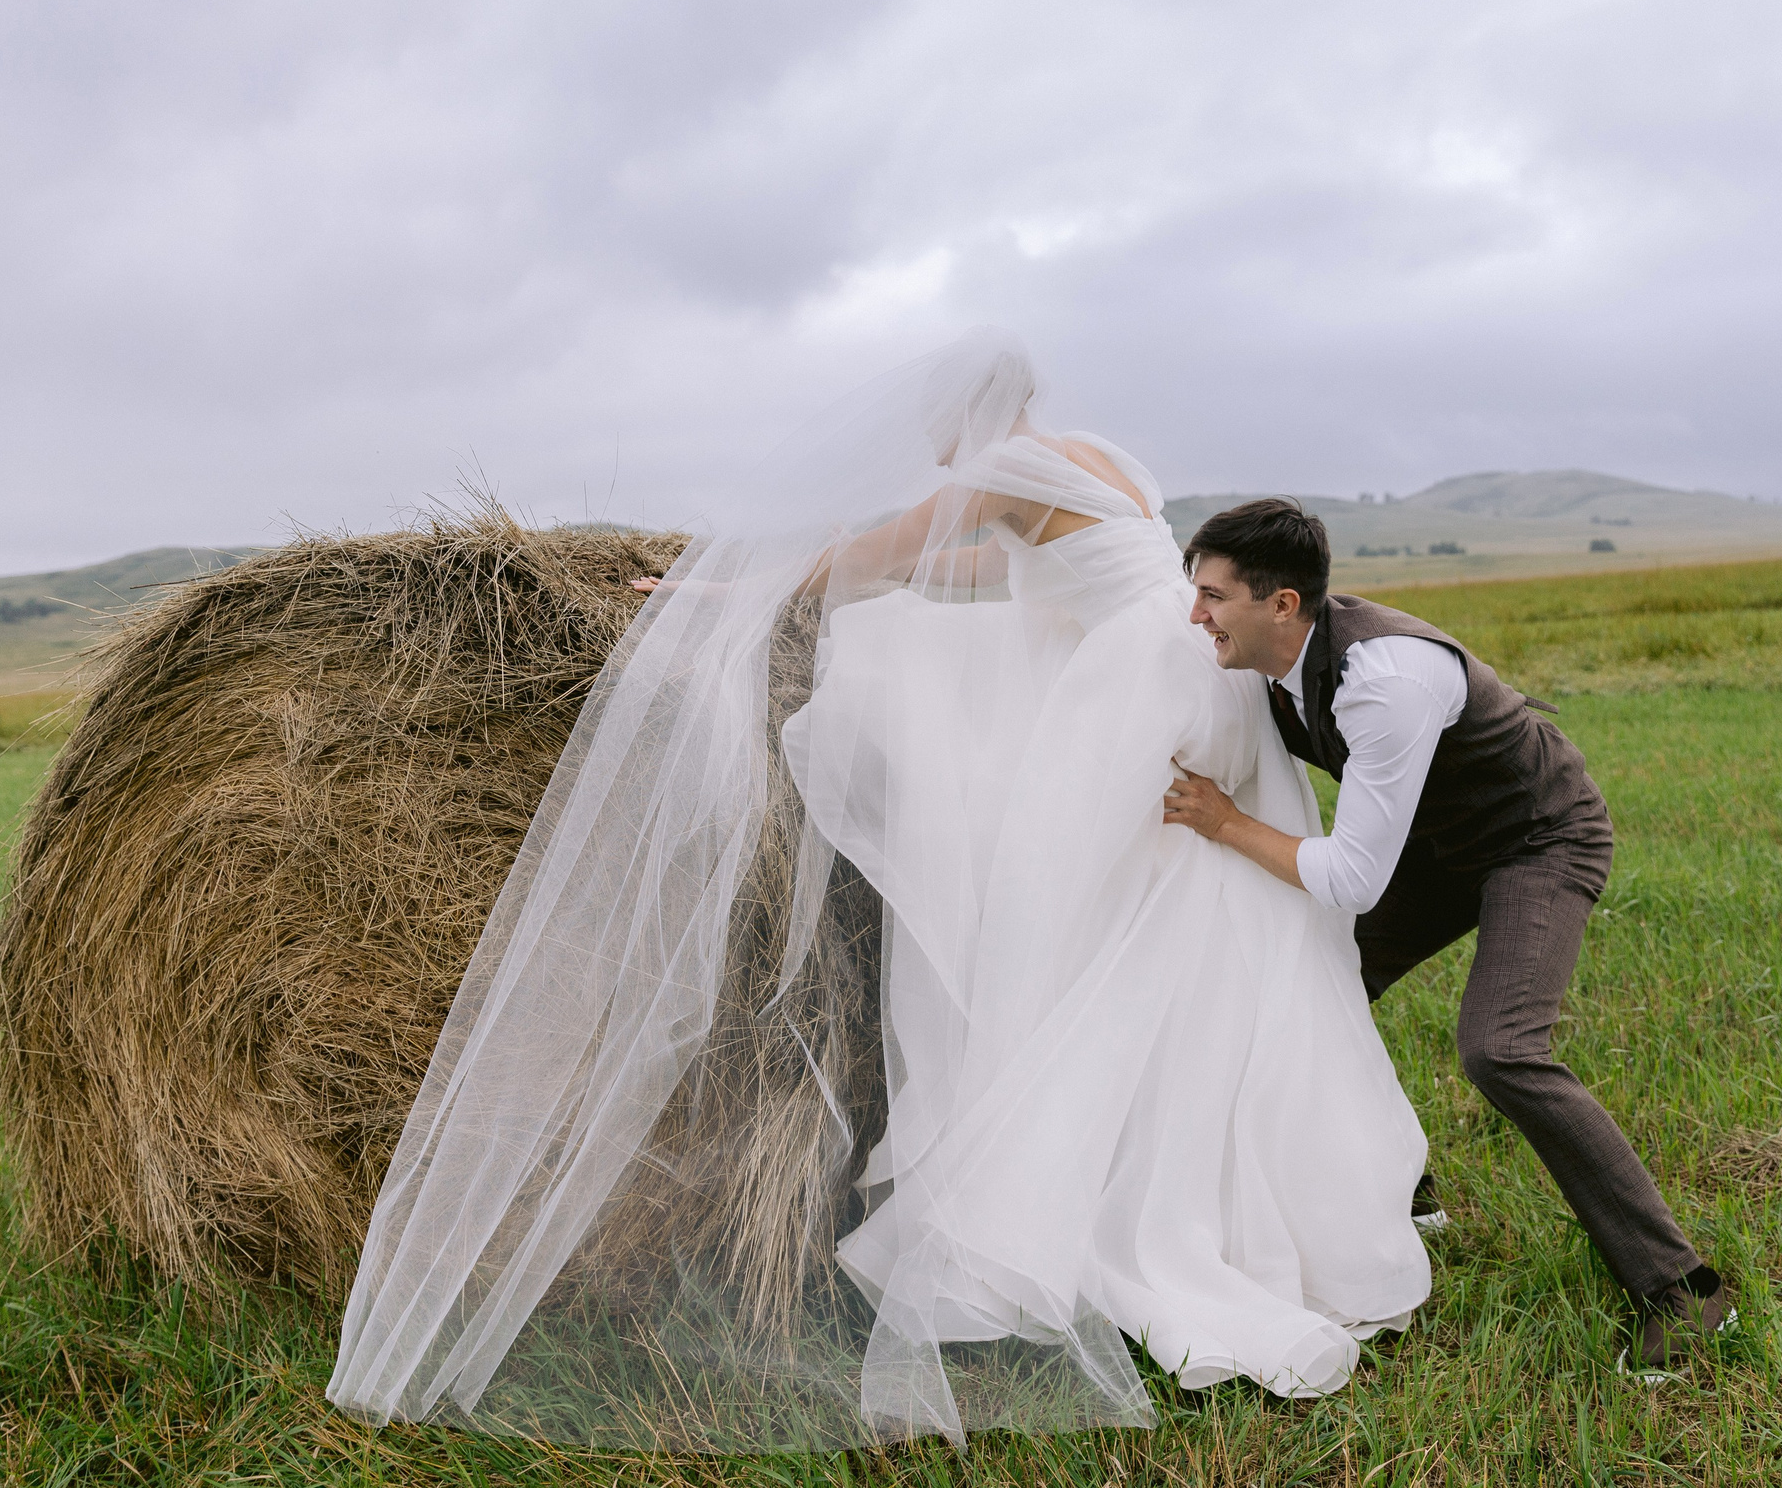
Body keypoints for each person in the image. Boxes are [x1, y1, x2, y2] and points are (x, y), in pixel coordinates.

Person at [327, 340, 1432, 1454]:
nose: (928, 448)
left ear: (963, 415)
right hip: (1195, 679)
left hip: (1126, 694)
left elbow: (884, 553)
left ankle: (1082, 1196)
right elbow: (981, 573)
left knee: (1052, 938)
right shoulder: (1103, 457)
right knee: (1195, 922)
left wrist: (725, 590)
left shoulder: (1000, 465)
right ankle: (1254, 1189)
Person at [1162, 498, 1736, 1379]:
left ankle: (1683, 1289)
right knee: (1320, 974)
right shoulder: (1264, 657)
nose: (1194, 613)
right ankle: (1396, 1186)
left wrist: (1226, 823)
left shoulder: (1382, 679)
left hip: (1536, 837)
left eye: (1211, 596)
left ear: (1282, 603)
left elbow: (1353, 875)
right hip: (1438, 846)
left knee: (1500, 1047)